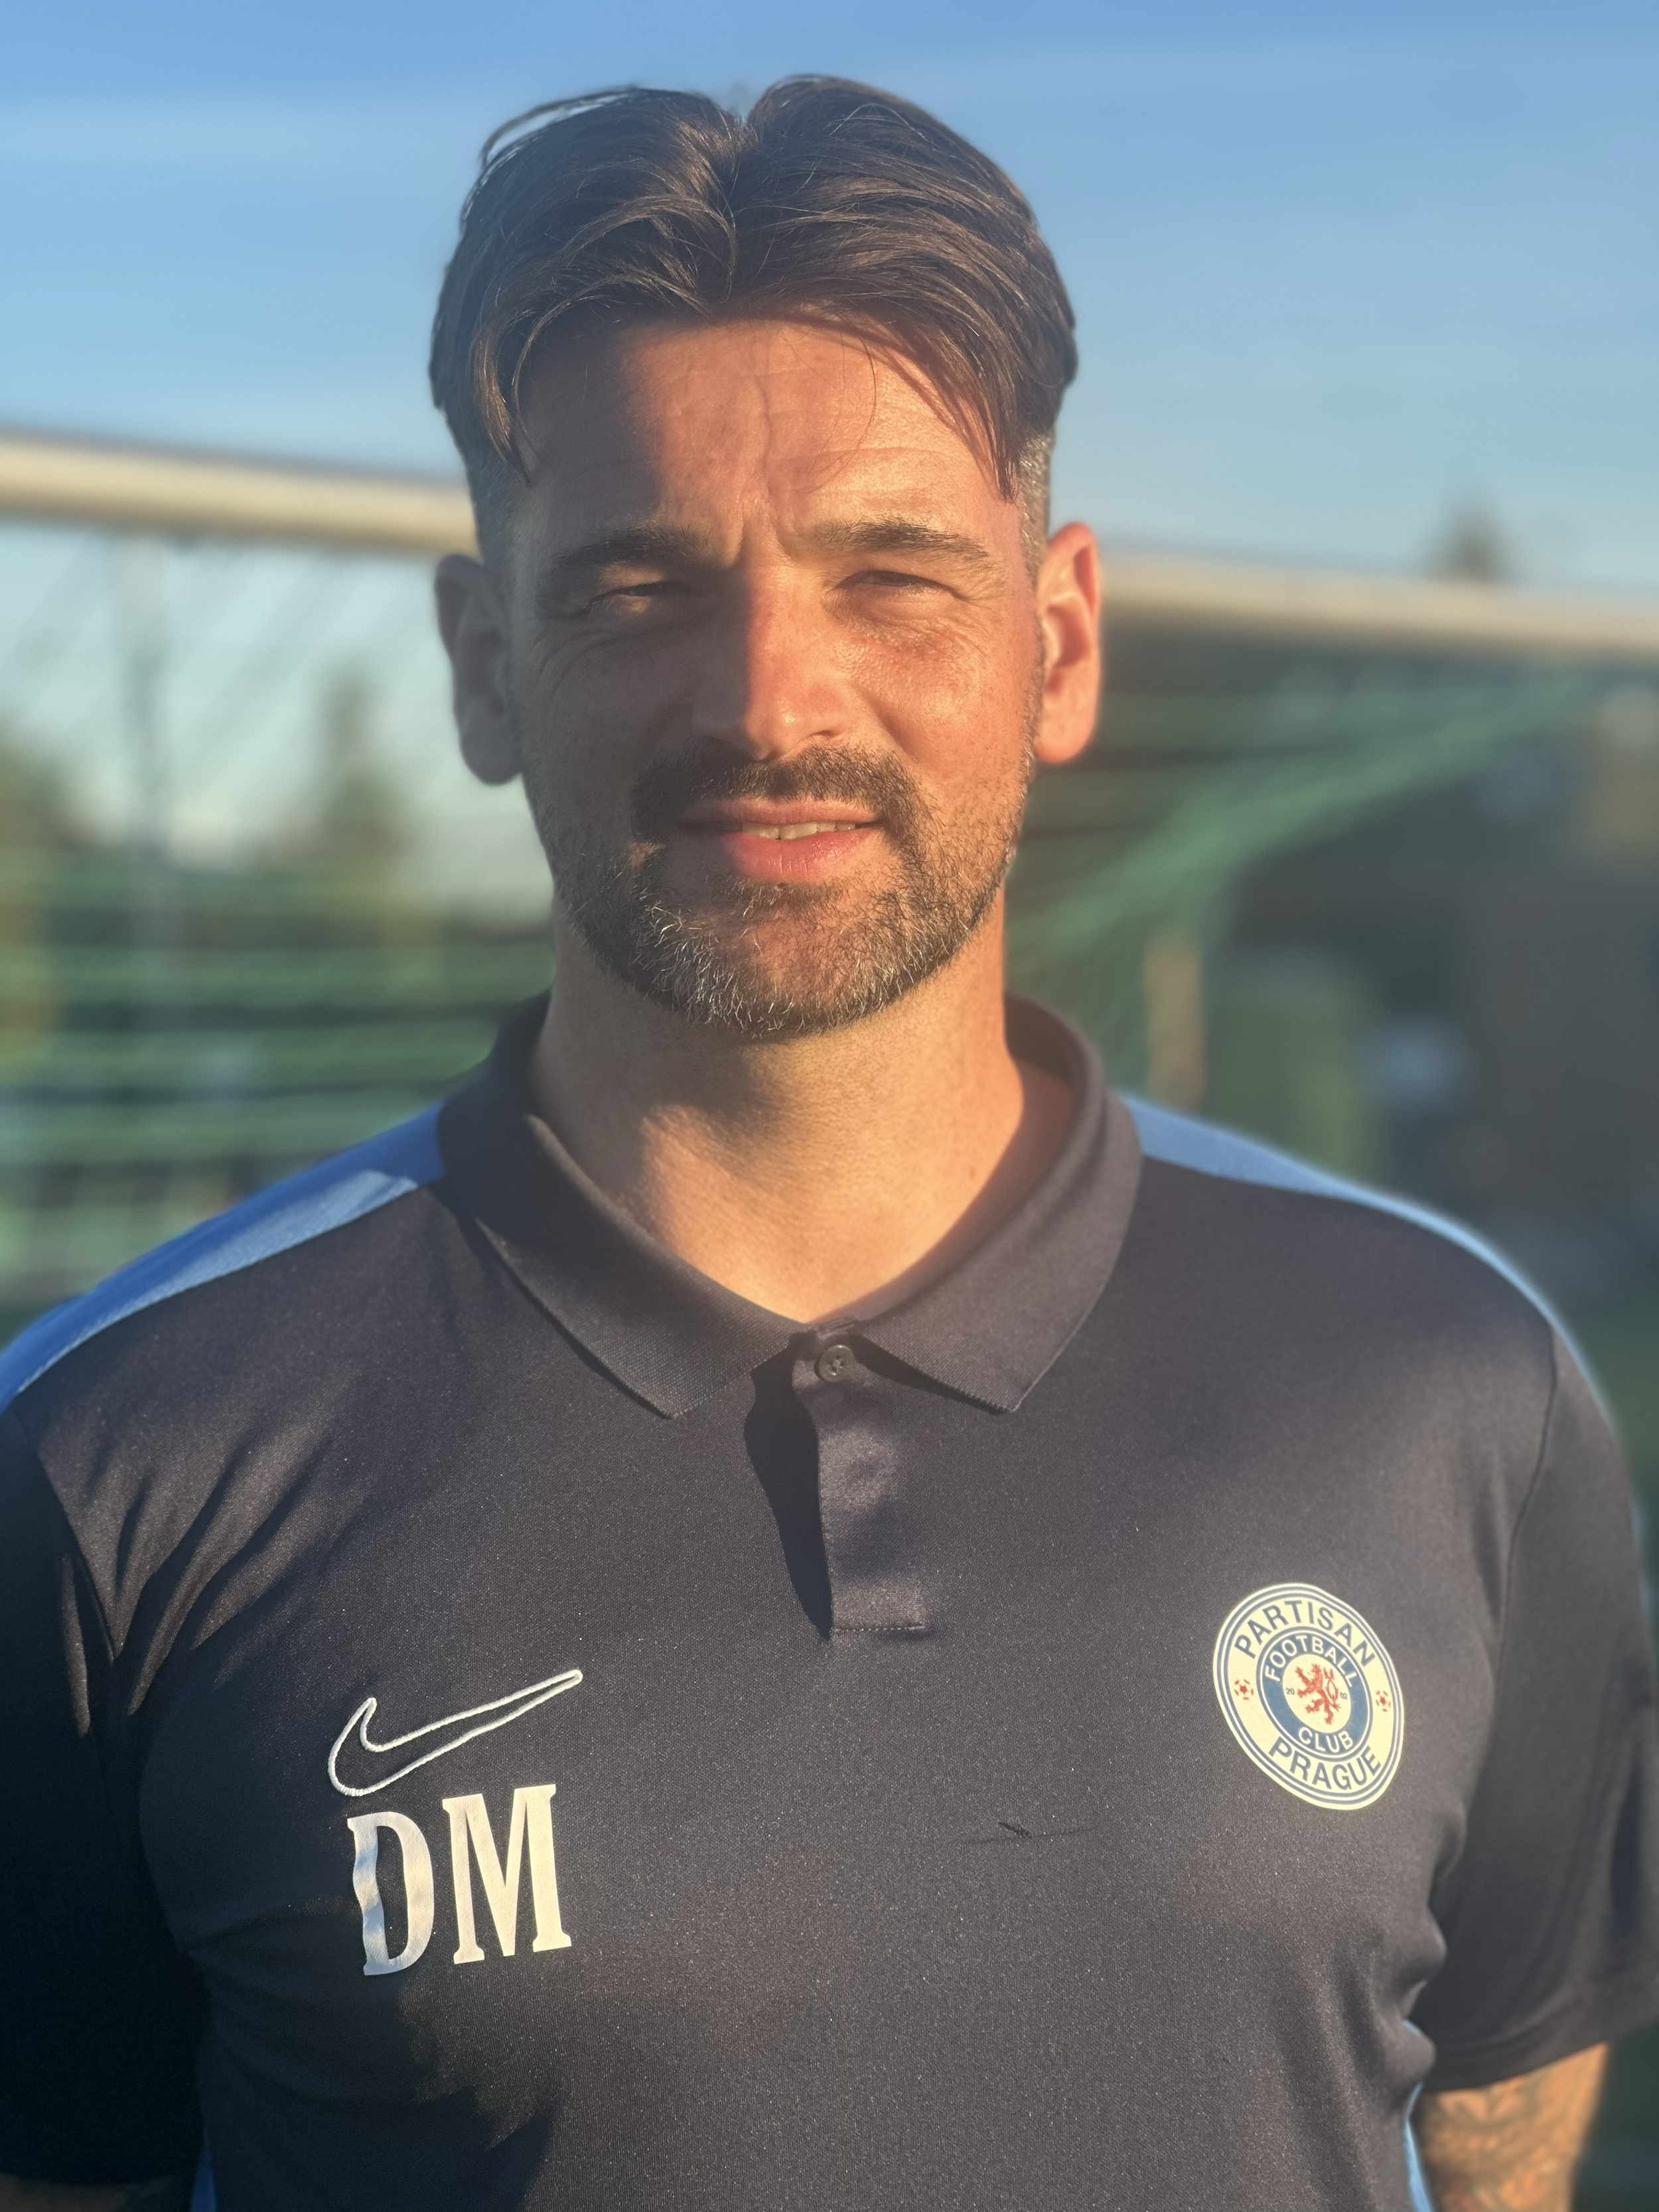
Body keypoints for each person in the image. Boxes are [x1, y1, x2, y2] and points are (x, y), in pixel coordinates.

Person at [1, 79, 1655, 2212]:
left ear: (1054, 641)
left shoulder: (1450, 1375)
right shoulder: (109, 1458)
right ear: (480, 660)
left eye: (890, 576)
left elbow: (1497, 2130)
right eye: (633, 588)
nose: (772, 696)